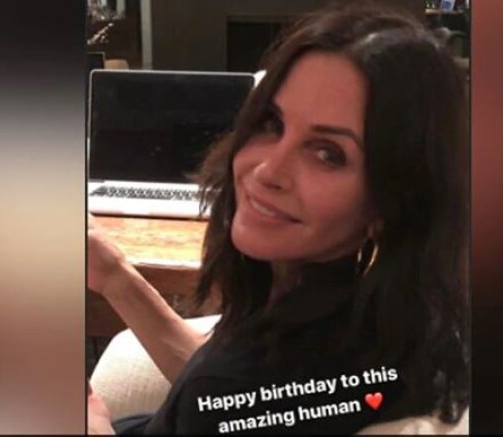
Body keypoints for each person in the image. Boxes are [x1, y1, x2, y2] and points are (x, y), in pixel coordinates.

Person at [87, 1, 469, 434]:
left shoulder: (263, 376)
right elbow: (228, 407)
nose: (267, 170)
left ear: (393, 199)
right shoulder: (386, 324)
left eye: (328, 153)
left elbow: (224, 404)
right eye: (271, 122)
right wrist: (113, 275)